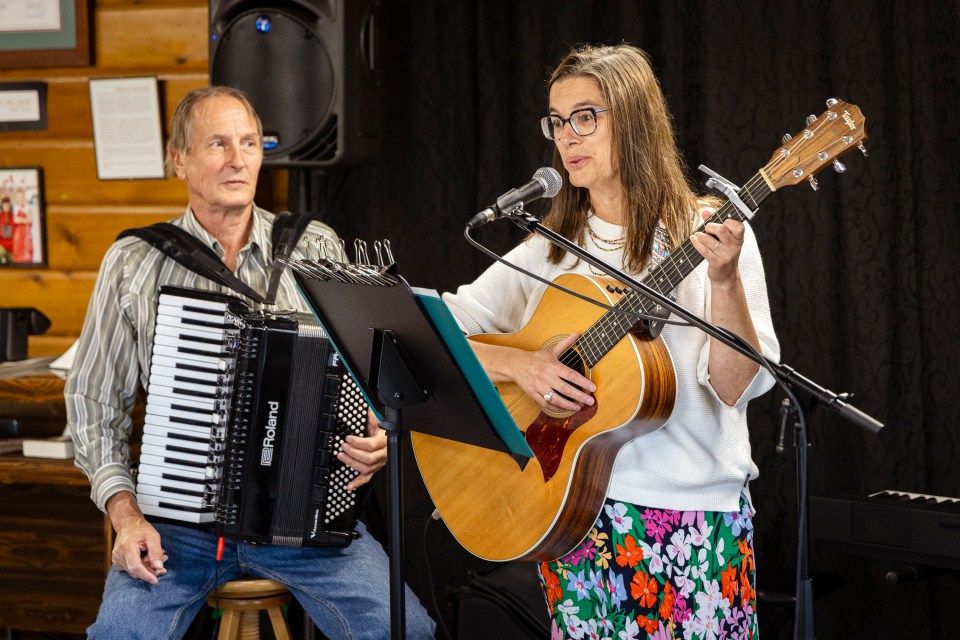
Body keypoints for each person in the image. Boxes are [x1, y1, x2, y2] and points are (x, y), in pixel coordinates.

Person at [66, 86, 436, 640]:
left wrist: (377, 431)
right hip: (177, 530)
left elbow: (366, 372)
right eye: (217, 143)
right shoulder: (134, 262)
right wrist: (126, 515)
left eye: (249, 143)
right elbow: (92, 405)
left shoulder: (314, 248)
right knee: (119, 636)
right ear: (179, 160)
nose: (238, 160)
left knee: (405, 631)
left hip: (303, 521)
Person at [442, 44, 780, 638]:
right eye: (557, 121)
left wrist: (725, 280)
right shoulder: (551, 248)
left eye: (585, 117)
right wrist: (522, 367)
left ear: (634, 120)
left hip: (698, 519)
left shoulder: (711, 234)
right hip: (578, 518)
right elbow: (442, 332)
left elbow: (735, 389)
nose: (567, 137)